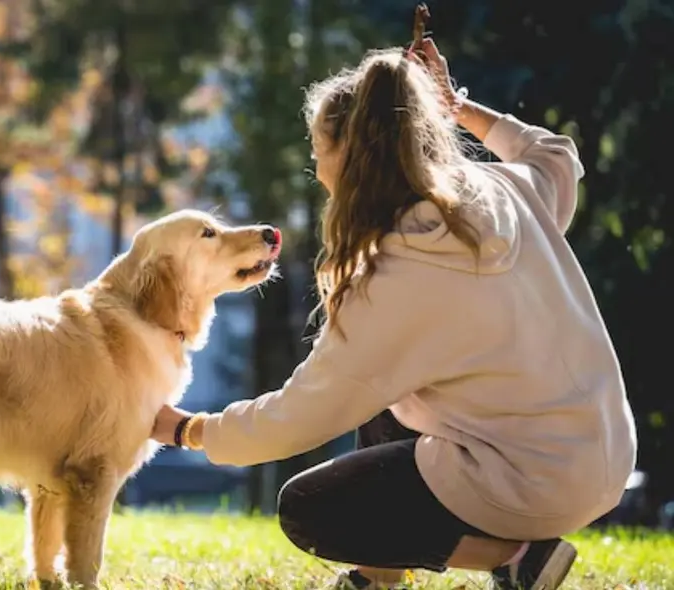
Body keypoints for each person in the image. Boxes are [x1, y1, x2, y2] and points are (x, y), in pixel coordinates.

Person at [151, 38, 637, 590]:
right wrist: (459, 107)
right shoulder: (499, 190)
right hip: (605, 455)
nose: (316, 166)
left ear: (351, 159)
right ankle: (377, 575)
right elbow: (555, 157)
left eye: (319, 151)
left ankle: (514, 555)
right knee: (380, 396)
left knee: (313, 508)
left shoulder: (395, 277)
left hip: (530, 481)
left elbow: (302, 414)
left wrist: (189, 429)